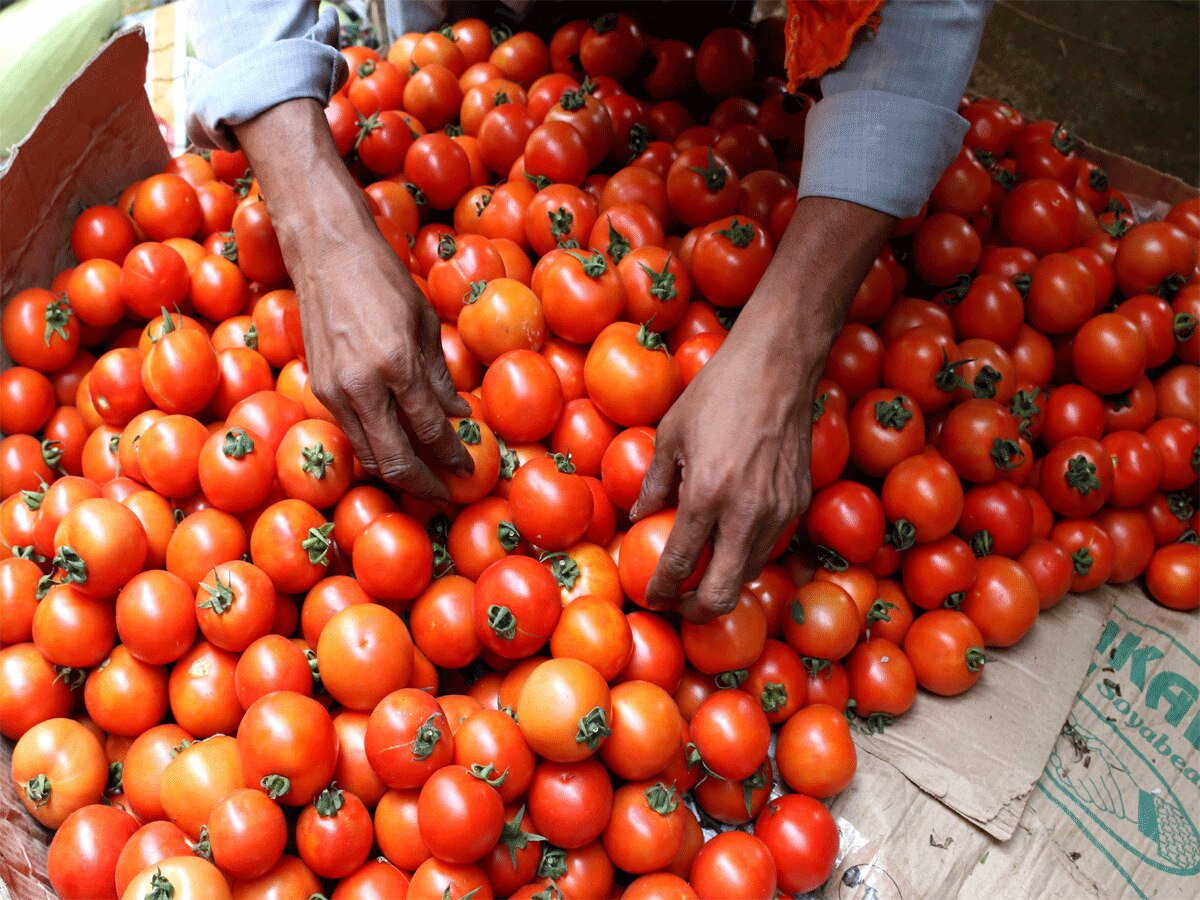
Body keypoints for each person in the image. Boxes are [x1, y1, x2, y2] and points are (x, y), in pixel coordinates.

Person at [187, 0, 991, 623]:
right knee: (458, 35)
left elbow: (917, 20)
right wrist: (315, 223)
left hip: (688, 116)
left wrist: (789, 344)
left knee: (668, 39)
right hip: (511, 105)